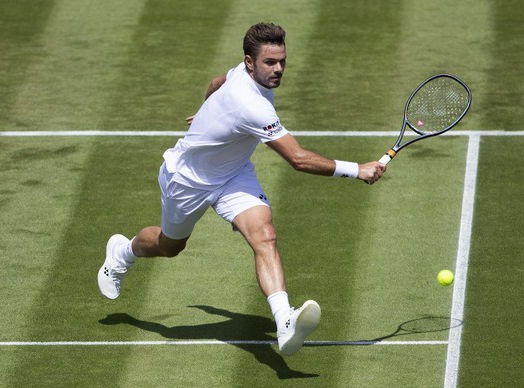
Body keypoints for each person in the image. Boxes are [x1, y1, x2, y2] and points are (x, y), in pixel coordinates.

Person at [98, 22, 385, 356]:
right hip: (187, 180)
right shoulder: (252, 106)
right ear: (251, 62)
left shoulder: (240, 73)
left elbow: (216, 82)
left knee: (264, 235)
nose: (278, 69)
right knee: (170, 245)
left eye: (282, 61)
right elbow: (299, 159)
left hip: (234, 175)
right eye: (270, 63)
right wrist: (357, 170)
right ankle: (122, 252)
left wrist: (208, 109)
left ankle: (284, 322)